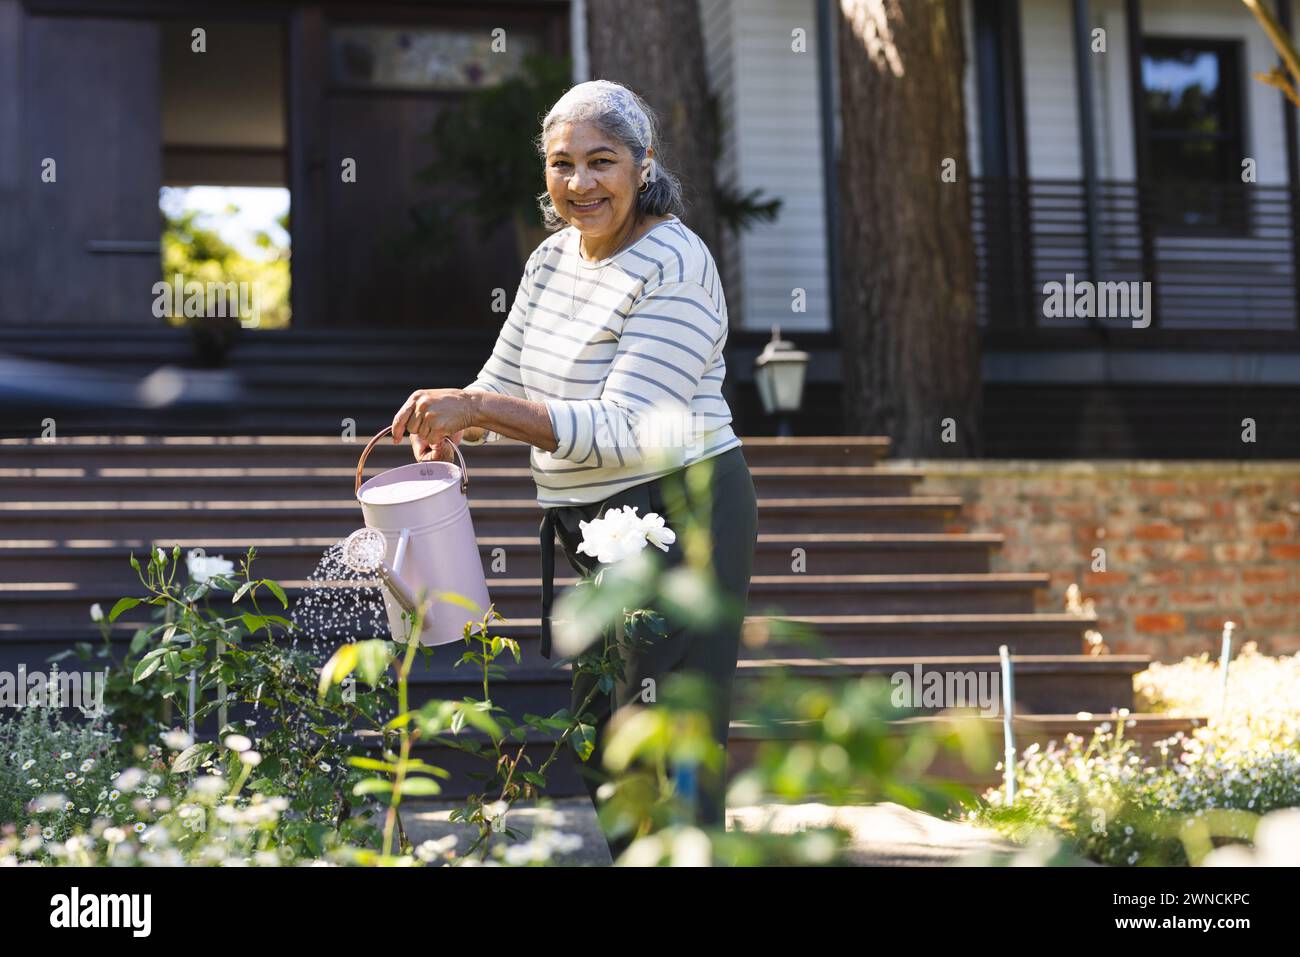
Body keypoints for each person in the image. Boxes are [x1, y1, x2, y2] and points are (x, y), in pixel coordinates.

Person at [390, 78, 758, 859]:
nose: (580, 184)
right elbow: (506, 378)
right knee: (599, 735)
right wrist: (457, 431)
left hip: (680, 514)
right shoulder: (551, 258)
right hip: (586, 526)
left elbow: (625, 429)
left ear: (642, 162)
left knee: (664, 735)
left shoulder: (675, 263)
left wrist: (478, 409)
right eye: (563, 164)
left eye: (602, 162)